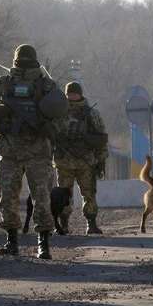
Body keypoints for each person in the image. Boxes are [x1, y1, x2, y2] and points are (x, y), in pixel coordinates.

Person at [0, 44, 67, 259]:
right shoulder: (3, 83)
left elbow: (61, 116)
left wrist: (48, 129)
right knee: (8, 197)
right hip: (10, 150)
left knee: (42, 198)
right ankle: (12, 241)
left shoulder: (46, 86)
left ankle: (43, 242)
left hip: (38, 151)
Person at [54, 81, 108, 235]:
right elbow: (51, 134)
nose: (71, 96)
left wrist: (101, 159)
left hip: (86, 161)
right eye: (69, 93)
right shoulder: (59, 112)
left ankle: (91, 223)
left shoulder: (91, 114)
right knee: (63, 195)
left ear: (80, 94)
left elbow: (102, 138)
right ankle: (63, 224)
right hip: (64, 161)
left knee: (89, 193)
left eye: (74, 93)